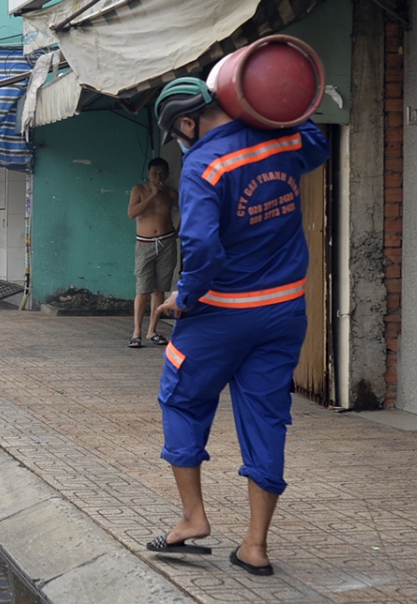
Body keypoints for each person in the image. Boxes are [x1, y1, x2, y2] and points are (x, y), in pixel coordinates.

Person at [144, 77, 329, 576]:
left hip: (221, 314)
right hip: (284, 314)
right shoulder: (280, 137)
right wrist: (270, 105)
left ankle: (192, 518)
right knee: (267, 418)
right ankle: (256, 545)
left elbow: (201, 247)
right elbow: (317, 143)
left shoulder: (204, 163)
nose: (181, 143)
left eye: (177, 133)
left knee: (181, 396)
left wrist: (185, 295)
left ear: (186, 122)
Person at [127, 157, 178, 348]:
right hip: (145, 244)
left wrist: (178, 230)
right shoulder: (139, 190)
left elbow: (186, 210)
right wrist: (152, 196)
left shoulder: (171, 193)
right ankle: (136, 332)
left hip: (166, 243)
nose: (159, 177)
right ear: (149, 174)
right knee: (143, 289)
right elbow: (132, 213)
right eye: (155, 173)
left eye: (162, 173)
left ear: (167, 174)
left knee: (160, 289)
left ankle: (152, 331)